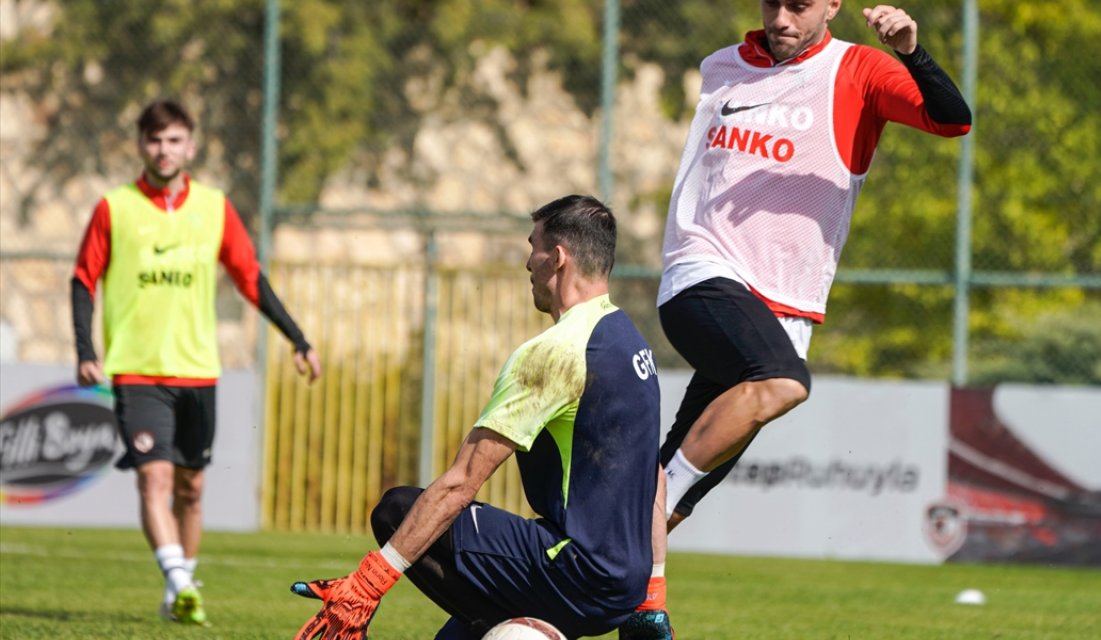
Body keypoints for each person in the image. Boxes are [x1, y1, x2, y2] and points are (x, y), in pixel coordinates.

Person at [620, 3, 973, 634]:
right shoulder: (722, 67)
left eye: (800, 3)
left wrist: (912, 51)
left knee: (679, 490)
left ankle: (585, 583)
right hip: (702, 273)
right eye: (772, 1)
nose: (781, 15)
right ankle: (643, 550)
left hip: (785, 308)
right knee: (784, 380)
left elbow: (953, 120)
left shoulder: (858, 69)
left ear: (833, 4)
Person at [291, 195, 663, 640]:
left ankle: (520, 623)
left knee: (397, 509)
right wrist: (651, 595)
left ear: (558, 258)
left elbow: (461, 482)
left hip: (574, 574)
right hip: (623, 585)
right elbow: (652, 473)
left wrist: (369, 584)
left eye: (533, 247)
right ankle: (504, 626)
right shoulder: (632, 343)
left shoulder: (554, 353)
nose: (529, 263)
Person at [71, 99, 322, 625]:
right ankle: (181, 580)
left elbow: (250, 278)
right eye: (155, 140)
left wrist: (297, 338)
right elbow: (83, 279)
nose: (164, 150)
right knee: (153, 480)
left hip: (198, 371)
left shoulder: (213, 206)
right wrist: (85, 350)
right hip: (138, 371)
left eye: (174, 140)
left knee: (191, 488)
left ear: (191, 145)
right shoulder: (113, 207)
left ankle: (178, 586)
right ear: (141, 145)